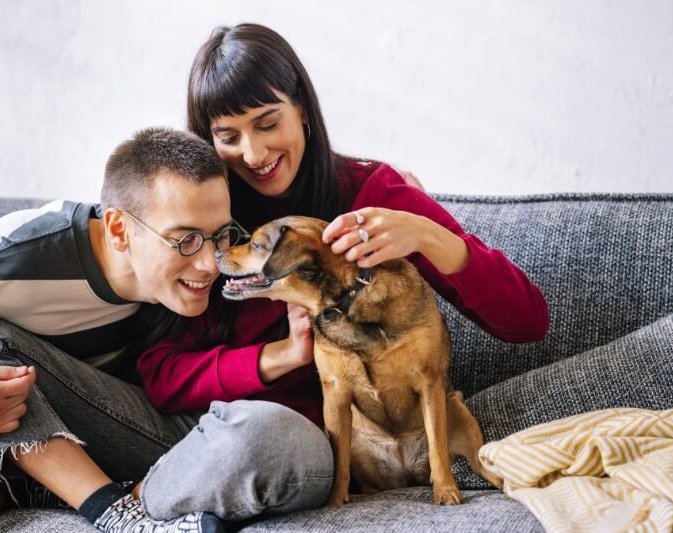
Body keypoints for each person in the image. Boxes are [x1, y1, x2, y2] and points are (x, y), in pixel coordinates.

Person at [132, 23, 548, 519]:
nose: (254, 154)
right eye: (228, 137)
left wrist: (428, 235)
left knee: (270, 439)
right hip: (205, 435)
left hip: (302, 449)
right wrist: (279, 357)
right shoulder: (214, 227)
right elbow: (160, 374)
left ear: (302, 108)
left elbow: (526, 322)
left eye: (268, 124)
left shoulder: (372, 197)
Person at [0, 127, 333, 532]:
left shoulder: (218, 268)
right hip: (7, 426)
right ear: (118, 230)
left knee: (284, 439)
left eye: (220, 236)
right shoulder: (9, 259)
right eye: (184, 240)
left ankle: (112, 495)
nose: (208, 264)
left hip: (141, 439)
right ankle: (117, 514)